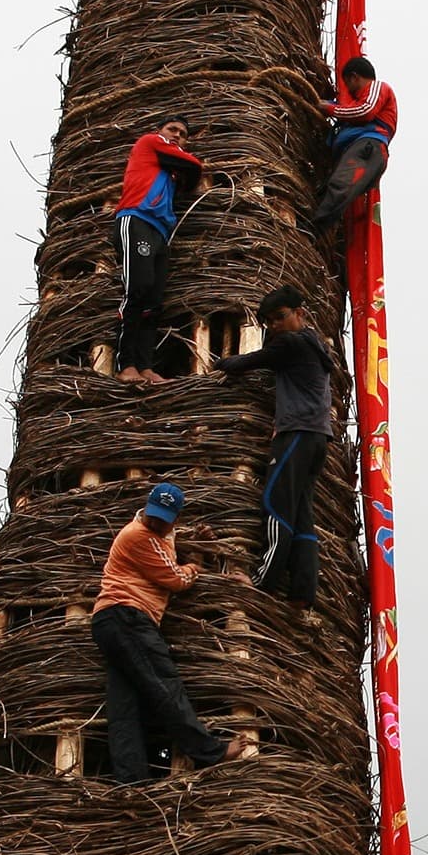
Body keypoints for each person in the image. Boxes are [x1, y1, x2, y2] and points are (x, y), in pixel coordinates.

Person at [92, 481, 247, 782]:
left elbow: (171, 545)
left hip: (111, 621)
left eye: (163, 520)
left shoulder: (161, 535)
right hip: (127, 617)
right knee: (164, 685)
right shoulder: (138, 535)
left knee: (125, 705)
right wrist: (195, 567)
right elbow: (176, 579)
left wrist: (199, 542)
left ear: (175, 519)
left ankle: (132, 780)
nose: (156, 523)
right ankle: (208, 751)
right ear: (145, 510)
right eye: (153, 516)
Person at [210, 285, 334, 601]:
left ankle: (262, 579)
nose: (275, 326)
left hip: (296, 433)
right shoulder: (315, 344)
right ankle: (303, 591)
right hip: (317, 438)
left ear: (299, 313)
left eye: (280, 317)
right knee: (301, 513)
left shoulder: (291, 343)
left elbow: (244, 363)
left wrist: (218, 365)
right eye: (269, 321)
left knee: (276, 504)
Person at [115, 119, 206, 386]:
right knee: (138, 288)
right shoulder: (151, 142)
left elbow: (189, 176)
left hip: (161, 232)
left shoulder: (169, 170)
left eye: (183, 134)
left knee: (153, 302)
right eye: (172, 130)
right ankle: (126, 364)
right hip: (136, 219)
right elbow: (194, 166)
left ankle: (145, 367)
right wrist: (189, 168)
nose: (176, 135)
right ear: (160, 132)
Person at [308, 59, 396, 240]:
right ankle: (314, 225)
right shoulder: (353, 102)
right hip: (359, 149)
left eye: (348, 83)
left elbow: (365, 111)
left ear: (354, 77)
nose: (348, 89)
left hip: (368, 147)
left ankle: (313, 230)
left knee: (340, 185)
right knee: (330, 189)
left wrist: (330, 109)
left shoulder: (378, 87)